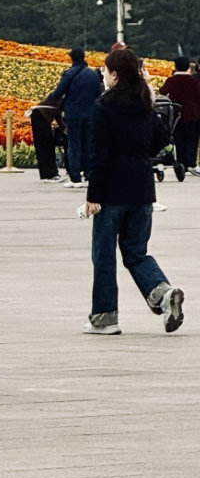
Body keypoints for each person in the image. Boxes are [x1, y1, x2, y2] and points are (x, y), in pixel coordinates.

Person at [84, 46, 184, 335]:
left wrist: (93, 195)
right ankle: (162, 293)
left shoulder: (104, 107)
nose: (103, 75)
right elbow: (162, 136)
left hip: (113, 190)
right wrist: (141, 156)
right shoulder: (143, 105)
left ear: (114, 75)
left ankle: (105, 316)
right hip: (142, 188)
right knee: (136, 252)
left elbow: (98, 154)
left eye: (105, 71)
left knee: (104, 254)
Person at [48, 48, 103, 187]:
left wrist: (50, 99)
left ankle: (75, 177)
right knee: (88, 144)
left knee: (74, 144)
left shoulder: (69, 74)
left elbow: (58, 92)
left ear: (72, 58)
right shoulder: (93, 75)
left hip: (73, 114)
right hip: (90, 114)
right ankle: (89, 174)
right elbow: (99, 94)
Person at [161, 58, 200, 181]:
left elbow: (162, 91)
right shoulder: (193, 81)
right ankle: (191, 163)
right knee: (192, 139)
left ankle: (181, 162)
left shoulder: (172, 80)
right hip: (191, 114)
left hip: (176, 115)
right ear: (188, 67)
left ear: (176, 67)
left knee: (179, 139)